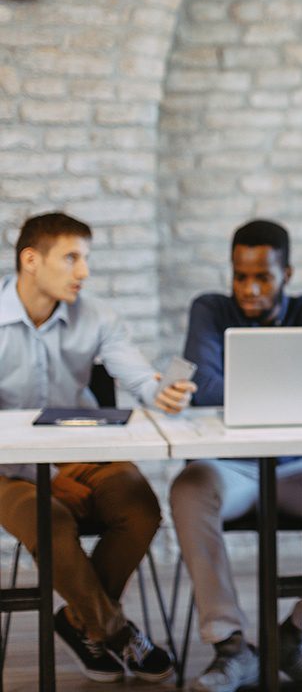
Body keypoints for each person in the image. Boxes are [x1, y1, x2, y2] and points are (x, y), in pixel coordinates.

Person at [169, 219, 302, 692]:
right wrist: (288, 392)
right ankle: (230, 646)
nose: (249, 288)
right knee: (188, 489)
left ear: (286, 273)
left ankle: (297, 633)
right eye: (240, 275)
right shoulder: (210, 308)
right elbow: (204, 390)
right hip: (231, 471)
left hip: (296, 469)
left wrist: (254, 392)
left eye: (262, 277)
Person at [0, 212, 189, 683]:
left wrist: (160, 392)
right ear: (30, 260)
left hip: (81, 451)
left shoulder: (98, 315)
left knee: (142, 509)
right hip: (6, 467)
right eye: (71, 258)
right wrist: (43, 476)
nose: (83, 272)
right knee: (52, 519)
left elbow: (140, 376)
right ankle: (116, 632)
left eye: (86, 259)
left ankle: (78, 621)